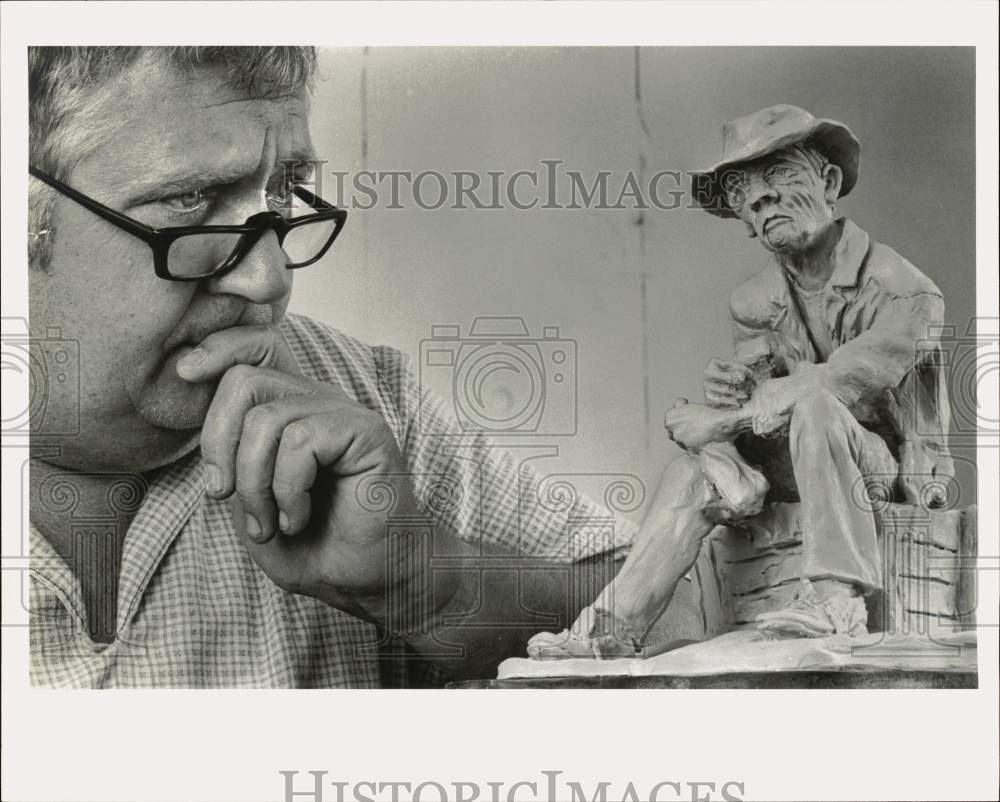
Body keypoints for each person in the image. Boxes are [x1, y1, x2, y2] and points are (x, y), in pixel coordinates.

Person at [26, 46, 665, 687]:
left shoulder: (360, 399)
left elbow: (674, 604)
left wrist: (425, 585)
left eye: (281, 193)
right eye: (189, 199)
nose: (268, 280)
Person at [529, 104, 954, 658]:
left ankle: (835, 600)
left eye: (778, 176)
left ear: (828, 182)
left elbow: (842, 383)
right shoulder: (754, 300)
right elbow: (766, 399)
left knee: (818, 407)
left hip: (877, 471)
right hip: (802, 458)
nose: (759, 199)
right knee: (691, 473)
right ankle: (612, 630)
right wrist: (734, 396)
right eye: (742, 191)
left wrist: (713, 422)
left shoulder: (904, 290)